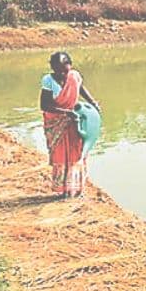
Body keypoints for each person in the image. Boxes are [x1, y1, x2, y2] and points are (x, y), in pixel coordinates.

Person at [40, 51, 100, 199]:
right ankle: (62, 189)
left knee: (76, 153)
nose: (61, 73)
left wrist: (93, 102)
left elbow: (80, 88)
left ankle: (76, 188)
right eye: (57, 69)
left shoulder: (74, 76)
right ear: (52, 67)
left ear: (70, 65)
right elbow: (44, 105)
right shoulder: (48, 80)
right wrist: (66, 112)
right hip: (56, 123)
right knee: (60, 155)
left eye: (64, 69)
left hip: (74, 121)